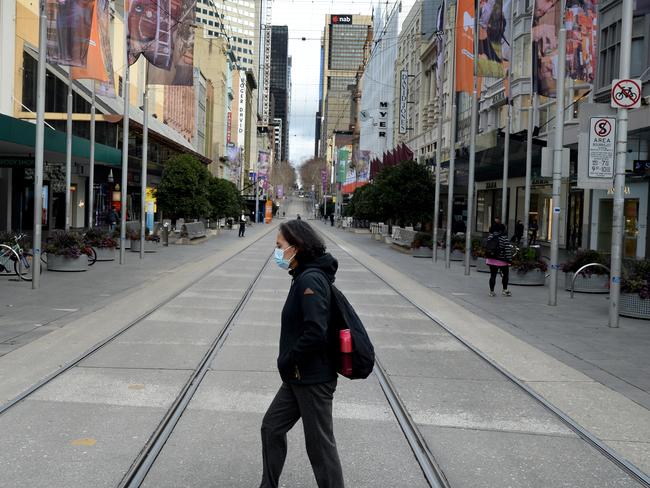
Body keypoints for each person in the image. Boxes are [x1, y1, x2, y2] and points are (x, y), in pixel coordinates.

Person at [260, 220, 344, 488]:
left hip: (313, 377)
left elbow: (315, 331)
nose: (276, 251)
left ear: (295, 248)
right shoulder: (302, 275)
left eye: (279, 246)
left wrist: (289, 358)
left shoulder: (310, 279)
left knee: (319, 446)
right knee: (272, 427)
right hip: (297, 376)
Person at [485, 223, 513, 297]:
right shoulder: (504, 238)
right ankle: (505, 290)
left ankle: (491, 291)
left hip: (491, 259)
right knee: (505, 275)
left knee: (493, 275)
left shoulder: (490, 236)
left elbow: (487, 247)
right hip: (502, 260)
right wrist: (509, 260)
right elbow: (507, 250)